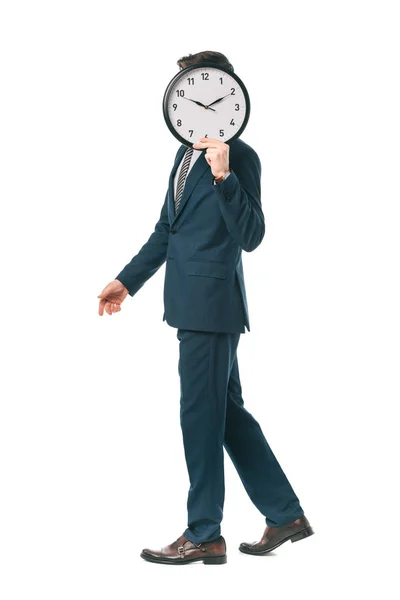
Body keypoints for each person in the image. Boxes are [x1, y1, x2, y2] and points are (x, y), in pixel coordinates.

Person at [97, 50, 314, 565]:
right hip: (188, 303)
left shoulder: (240, 158)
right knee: (226, 415)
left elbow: (252, 236)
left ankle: (204, 533)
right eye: (186, 97)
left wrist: (224, 177)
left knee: (198, 416)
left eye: (207, 97)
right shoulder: (181, 156)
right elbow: (166, 230)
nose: (195, 111)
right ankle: (285, 515)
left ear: (231, 100)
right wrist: (126, 282)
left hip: (212, 305)